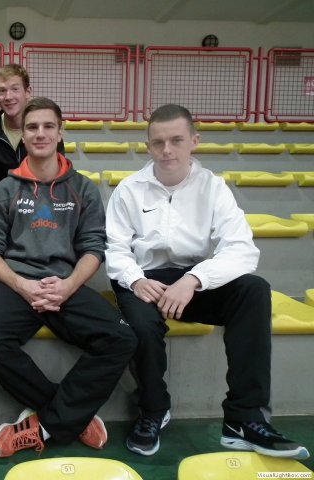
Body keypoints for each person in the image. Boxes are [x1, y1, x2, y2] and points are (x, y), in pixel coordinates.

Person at [105, 103, 310, 460]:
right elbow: (115, 248)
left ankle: (244, 418)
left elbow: (242, 249)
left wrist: (195, 278)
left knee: (254, 291)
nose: (167, 150)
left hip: (193, 280)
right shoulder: (128, 190)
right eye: (158, 142)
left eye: (176, 140)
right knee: (140, 323)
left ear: (194, 141)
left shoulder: (213, 188)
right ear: (148, 146)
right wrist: (135, 279)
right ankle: (153, 409)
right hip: (144, 280)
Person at [0, 97, 137, 458]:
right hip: (17, 284)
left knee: (122, 339)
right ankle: (71, 417)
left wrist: (67, 286)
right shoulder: (3, 191)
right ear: (23, 135)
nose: (40, 133)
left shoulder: (83, 188)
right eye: (32, 127)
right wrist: (23, 285)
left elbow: (94, 248)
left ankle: (46, 426)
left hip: (66, 284)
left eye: (48, 126)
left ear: (61, 132)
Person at [0, 64, 63, 195]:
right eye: (2, 91)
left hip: (41, 199)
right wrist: (14, 202)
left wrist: (30, 202)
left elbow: (58, 175)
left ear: (28, 92)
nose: (8, 97)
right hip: (2, 202)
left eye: (15, 89)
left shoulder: (47, 130)